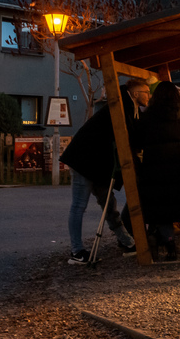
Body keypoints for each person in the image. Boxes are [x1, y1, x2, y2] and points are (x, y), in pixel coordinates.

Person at [60, 79, 147, 264]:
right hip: (85, 161)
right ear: (136, 93)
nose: (149, 96)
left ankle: (127, 241)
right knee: (80, 205)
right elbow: (133, 137)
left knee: (108, 204)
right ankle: (76, 251)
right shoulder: (122, 108)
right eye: (146, 92)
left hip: (97, 163)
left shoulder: (126, 107)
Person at [135, 81, 180, 261]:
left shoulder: (147, 117)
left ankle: (168, 242)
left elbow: (137, 141)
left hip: (153, 170)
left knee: (161, 209)